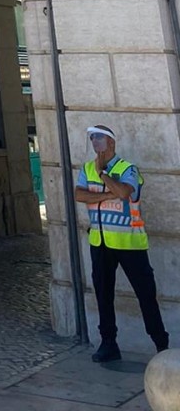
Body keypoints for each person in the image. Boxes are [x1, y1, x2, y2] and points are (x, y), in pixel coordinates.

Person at [73, 123, 169, 361]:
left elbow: (125, 192)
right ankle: (108, 343)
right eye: (92, 139)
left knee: (145, 295)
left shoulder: (128, 169)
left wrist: (104, 174)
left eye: (99, 139)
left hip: (130, 244)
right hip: (101, 243)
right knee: (103, 294)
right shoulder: (87, 168)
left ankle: (161, 346)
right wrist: (107, 194)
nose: (95, 144)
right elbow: (79, 195)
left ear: (111, 143)